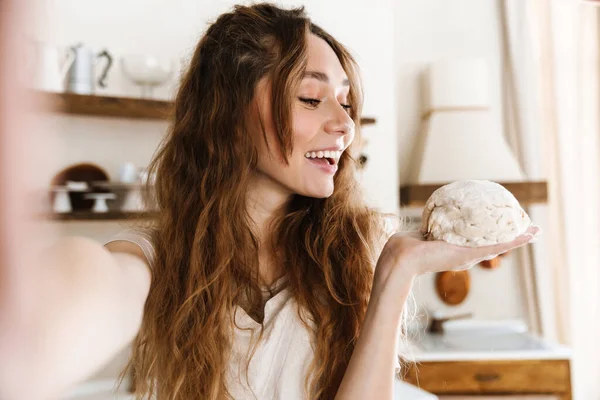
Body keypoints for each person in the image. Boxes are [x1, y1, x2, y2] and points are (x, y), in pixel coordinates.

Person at [0, 3, 540, 400]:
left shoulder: (362, 249)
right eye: (311, 97)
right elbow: (85, 291)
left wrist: (396, 270)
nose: (345, 124)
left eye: (347, 103)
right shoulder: (152, 260)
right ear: (229, 112)